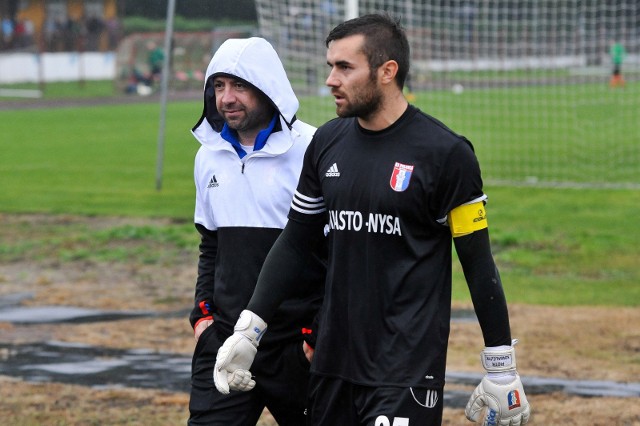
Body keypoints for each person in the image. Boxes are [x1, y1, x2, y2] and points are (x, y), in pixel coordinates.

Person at [214, 14, 531, 426]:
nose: (331, 79)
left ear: (387, 72)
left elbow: (478, 263)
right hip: (332, 364)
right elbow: (295, 241)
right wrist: (249, 329)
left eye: (345, 67)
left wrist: (501, 365)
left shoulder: (447, 154)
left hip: (405, 371)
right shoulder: (326, 143)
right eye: (330, 66)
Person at [188, 37, 326, 425]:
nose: (226, 98)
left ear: (267, 86)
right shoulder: (207, 155)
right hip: (225, 343)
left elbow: (337, 251)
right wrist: (203, 319)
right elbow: (210, 244)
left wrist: (314, 337)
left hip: (296, 348)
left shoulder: (313, 149)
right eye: (218, 86)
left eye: (239, 85)